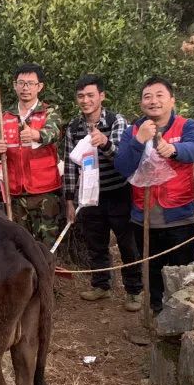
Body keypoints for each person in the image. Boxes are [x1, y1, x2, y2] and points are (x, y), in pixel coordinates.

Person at [114, 76, 194, 313]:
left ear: (172, 100)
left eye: (159, 95)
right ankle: (155, 314)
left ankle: (183, 317)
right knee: (152, 270)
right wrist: (139, 140)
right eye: (147, 96)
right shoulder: (133, 130)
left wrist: (174, 149)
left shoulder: (187, 126)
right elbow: (123, 165)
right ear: (141, 103)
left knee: (182, 273)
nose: (153, 101)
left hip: (179, 216)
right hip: (143, 217)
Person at [59, 74, 142, 309]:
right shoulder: (74, 128)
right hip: (88, 196)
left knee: (127, 243)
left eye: (90, 95)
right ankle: (101, 284)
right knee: (96, 242)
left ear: (101, 96)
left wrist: (103, 142)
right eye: (81, 96)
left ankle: (134, 290)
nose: (85, 100)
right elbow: (69, 165)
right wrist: (69, 200)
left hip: (117, 192)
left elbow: (121, 158)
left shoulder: (116, 121)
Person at [0, 63, 62, 246]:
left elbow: (54, 132)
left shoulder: (49, 112)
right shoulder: (4, 116)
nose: (25, 88)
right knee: (20, 244)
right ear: (15, 85)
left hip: (45, 191)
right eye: (21, 83)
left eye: (30, 83)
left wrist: (37, 134)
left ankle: (47, 275)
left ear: (39, 86)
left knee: (47, 245)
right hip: (14, 191)